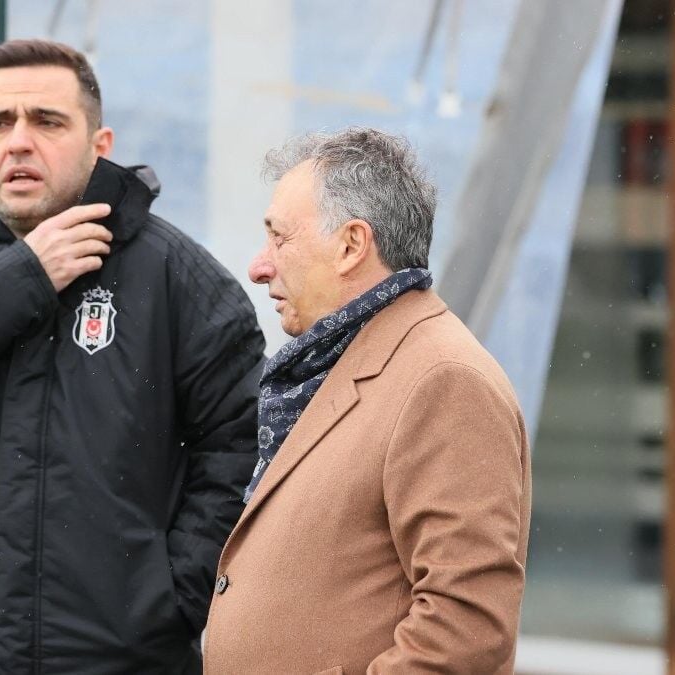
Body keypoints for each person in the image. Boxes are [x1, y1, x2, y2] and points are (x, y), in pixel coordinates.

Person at [0, 39, 264, 673]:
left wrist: (169, 601)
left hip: (120, 660)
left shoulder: (179, 279)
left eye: (47, 121)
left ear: (100, 144)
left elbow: (243, 451)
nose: (19, 142)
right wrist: (21, 279)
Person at [203, 127, 532, 674]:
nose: (259, 267)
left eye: (279, 239)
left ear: (352, 245)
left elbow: (467, 629)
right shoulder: (340, 362)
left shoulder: (444, 380)